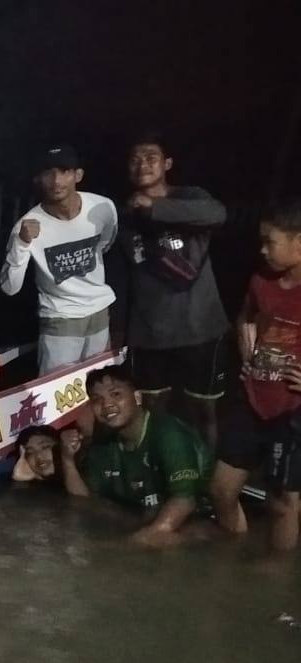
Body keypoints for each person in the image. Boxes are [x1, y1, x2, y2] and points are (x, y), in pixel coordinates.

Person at [115, 134, 230, 448]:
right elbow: (121, 277)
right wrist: (120, 334)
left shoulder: (190, 197)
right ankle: (162, 469)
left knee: (204, 410)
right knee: (152, 409)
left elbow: (217, 214)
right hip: (150, 333)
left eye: (151, 157)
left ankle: (207, 478)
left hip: (201, 328)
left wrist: (154, 207)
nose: (143, 164)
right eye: (135, 158)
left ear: (167, 164)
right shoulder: (123, 216)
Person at [209, 199, 301, 552]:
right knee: (221, 488)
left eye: (270, 242)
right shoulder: (262, 279)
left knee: (281, 504)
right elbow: (246, 315)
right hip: (252, 398)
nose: (262, 250)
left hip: (292, 412)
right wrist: (245, 345)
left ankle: (275, 582)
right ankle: (232, 557)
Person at [61, 366, 212, 545]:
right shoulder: (103, 446)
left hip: (196, 521)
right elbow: (85, 503)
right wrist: (67, 460)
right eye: (97, 400)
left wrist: (134, 544)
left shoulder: (168, 434)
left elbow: (185, 500)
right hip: (142, 517)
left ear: (138, 397)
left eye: (116, 394)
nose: (107, 404)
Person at [0, 145, 118, 374]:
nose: (56, 180)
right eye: (48, 172)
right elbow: (9, 288)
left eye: (64, 171)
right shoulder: (26, 225)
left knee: (100, 389)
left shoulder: (103, 207)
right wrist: (21, 243)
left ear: (78, 175)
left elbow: (105, 245)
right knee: (57, 395)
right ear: (38, 179)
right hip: (60, 319)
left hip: (100, 312)